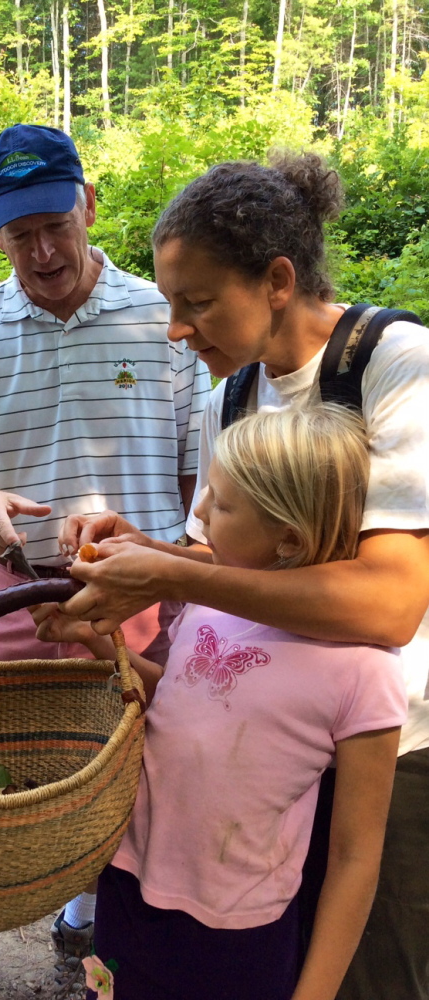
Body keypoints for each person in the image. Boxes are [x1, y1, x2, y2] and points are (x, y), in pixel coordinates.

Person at [60, 152, 429, 1000]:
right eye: (170, 307)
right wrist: (140, 558)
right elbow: (219, 561)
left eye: (197, 304)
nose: (178, 332)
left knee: (374, 968)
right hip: (265, 744)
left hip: (393, 742)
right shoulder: (235, 391)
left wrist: (167, 574)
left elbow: (393, 604)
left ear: (276, 279)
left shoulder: (394, 362)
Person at [0, 124, 211, 1000]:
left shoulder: (167, 316)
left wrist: (177, 571)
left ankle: (85, 925)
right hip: (12, 594)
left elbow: (199, 471)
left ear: (89, 205)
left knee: (117, 765)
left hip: (137, 591)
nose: (40, 249)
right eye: (17, 233)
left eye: (53, 224)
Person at [33, 403, 407, 1000]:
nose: (198, 512)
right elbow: (180, 702)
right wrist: (96, 643)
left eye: (222, 503)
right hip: (128, 884)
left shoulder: (363, 671)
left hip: (237, 929)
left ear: (289, 537)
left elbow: (356, 856)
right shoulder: (209, 603)